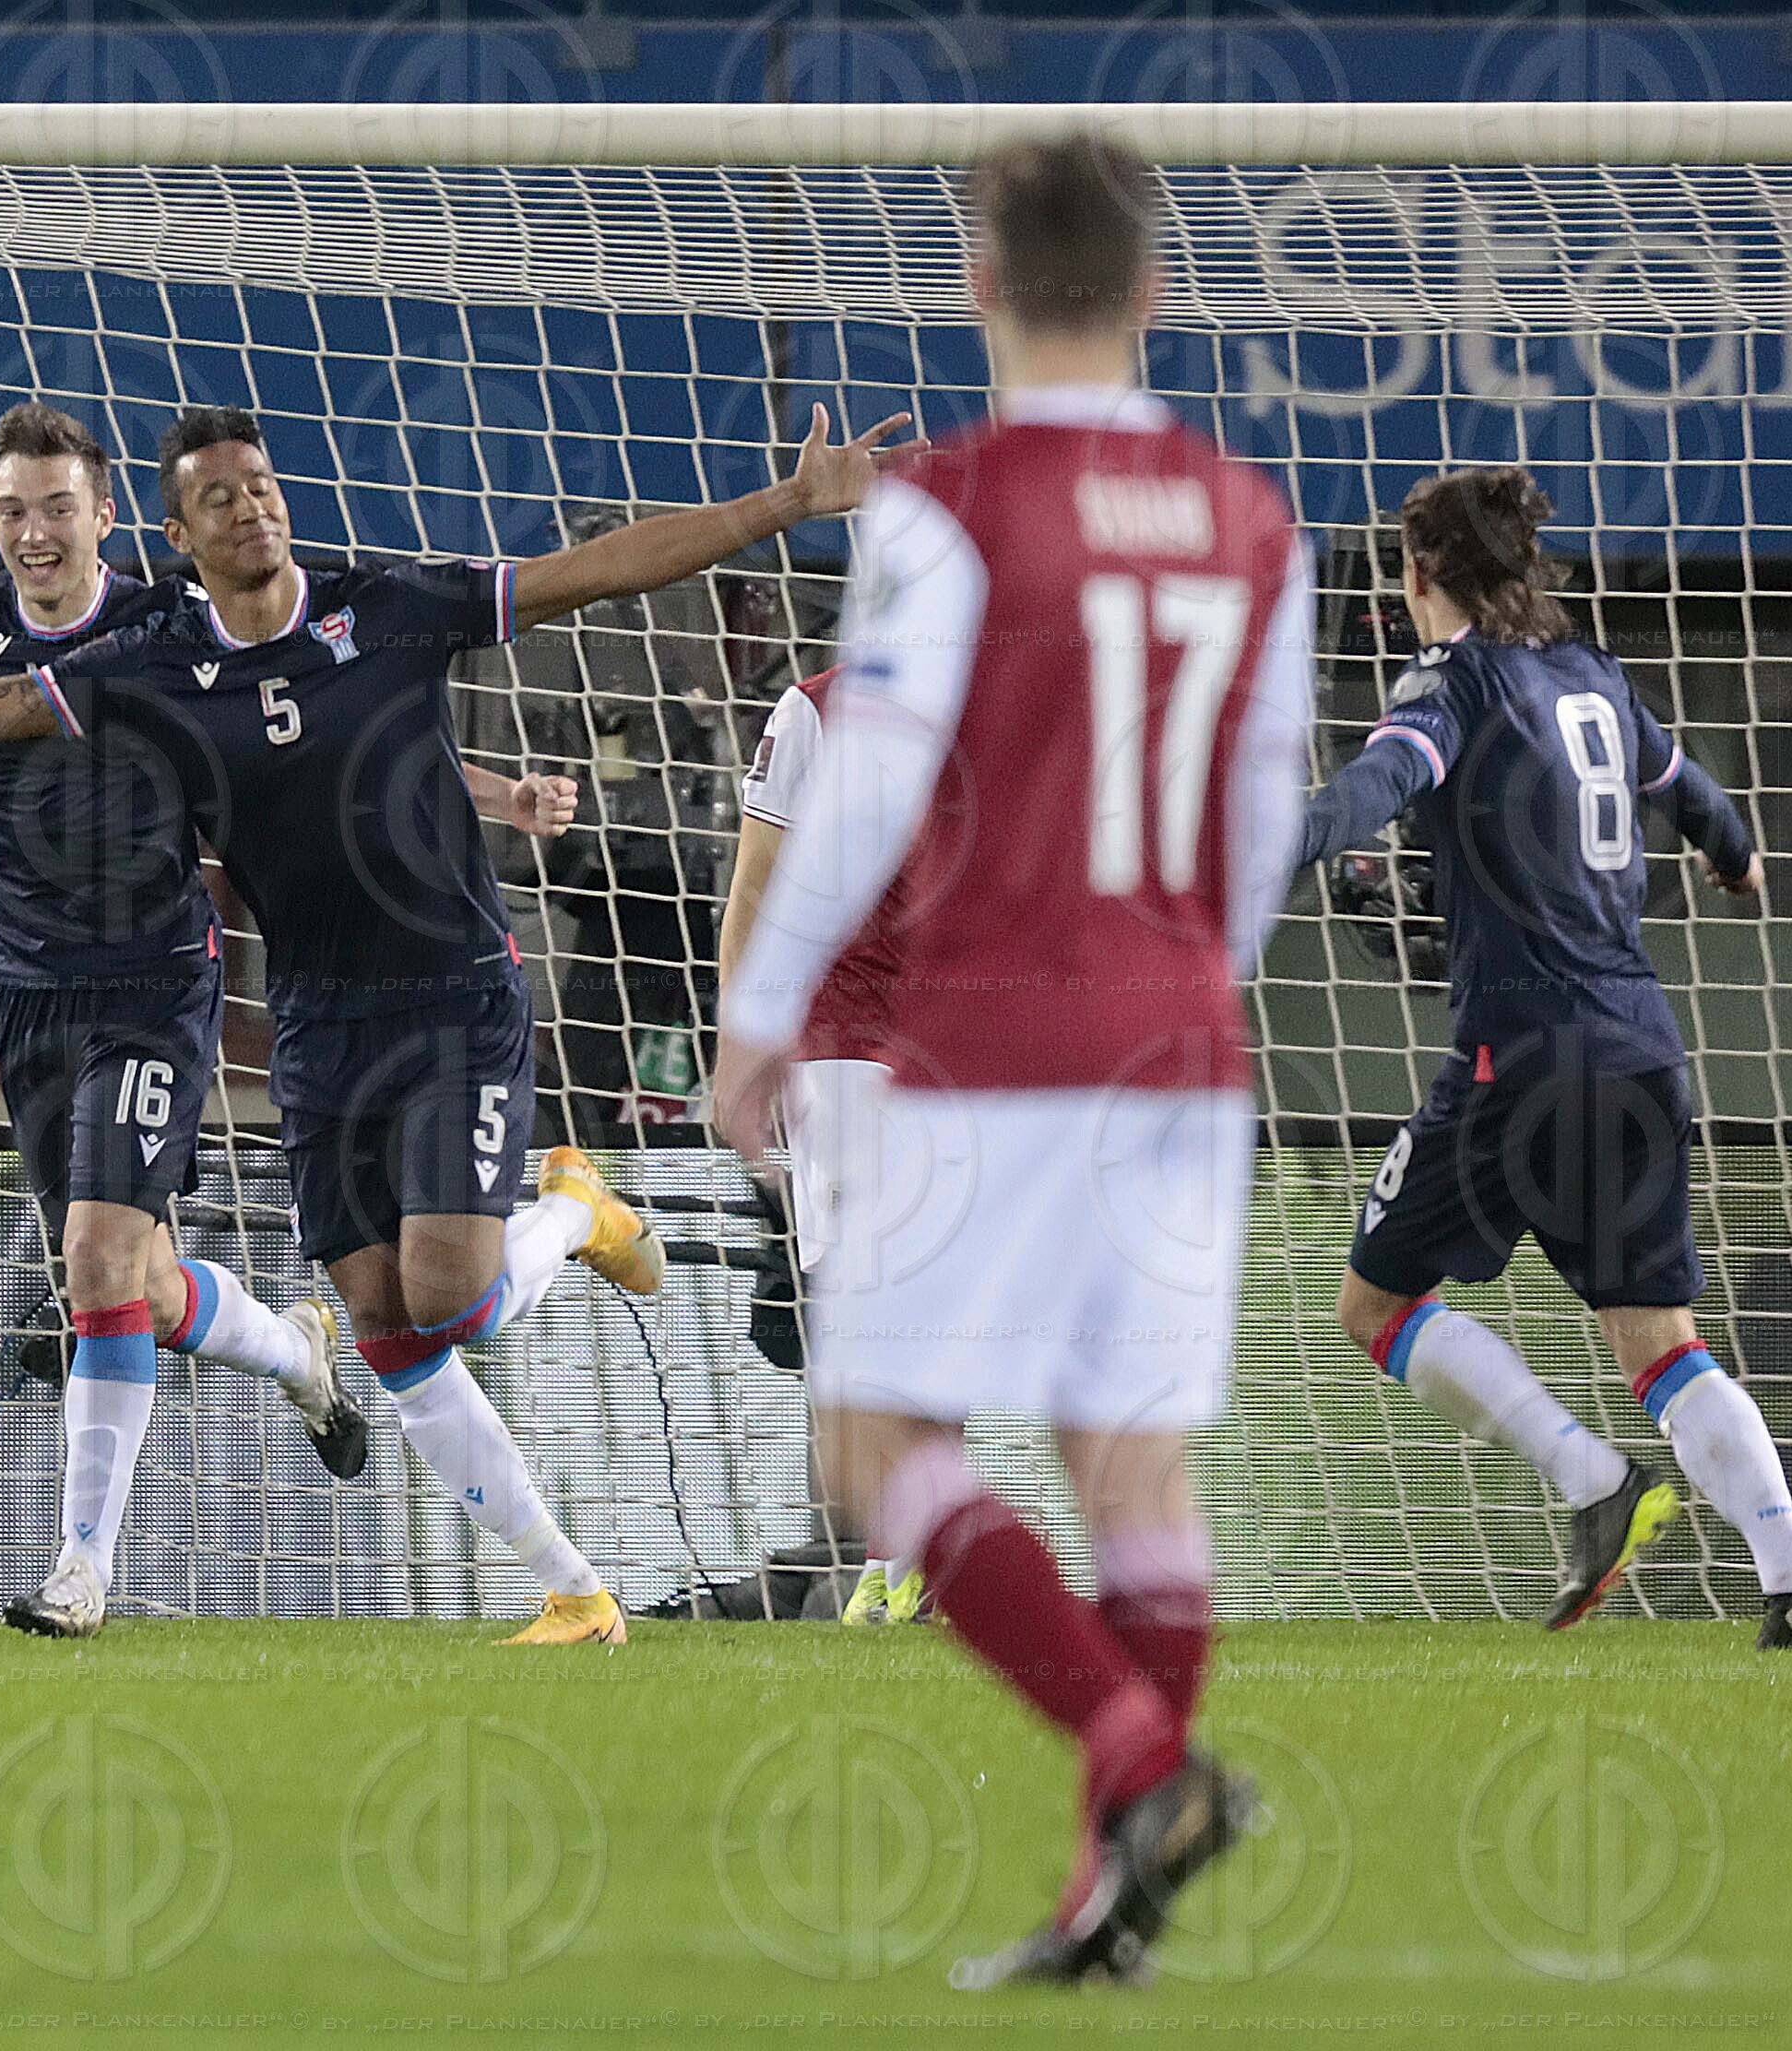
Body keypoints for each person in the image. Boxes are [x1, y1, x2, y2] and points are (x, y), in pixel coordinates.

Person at [0, 395, 920, 1646]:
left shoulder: (386, 605)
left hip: (450, 997)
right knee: (384, 1327)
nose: (249, 508)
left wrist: (782, 506)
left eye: (260, 487)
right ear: (178, 535)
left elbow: (593, 572)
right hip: (310, 1021)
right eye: (219, 498)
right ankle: (576, 1593)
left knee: (450, 1303)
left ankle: (573, 1213)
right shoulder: (149, 666)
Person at [715, 133, 1312, 1985]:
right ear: (1153, 288)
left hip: (992, 1039)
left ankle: (1139, 1758)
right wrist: (1186, 982)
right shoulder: (1252, 516)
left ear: (978, 282)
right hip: (1180, 1038)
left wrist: (757, 1015)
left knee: (877, 1439)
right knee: (1132, 1465)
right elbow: (1265, 808)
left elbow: (873, 781)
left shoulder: (949, 508)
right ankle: (1108, 1901)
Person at [1293, 464, 1792, 1654]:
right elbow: (1692, 793)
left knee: (1371, 1304)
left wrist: (1274, 841)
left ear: (1421, 573)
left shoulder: (1450, 681)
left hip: (1520, 1056)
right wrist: (1735, 856)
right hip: (1642, 1051)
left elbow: (1379, 781)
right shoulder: (1592, 675)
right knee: (1660, 1343)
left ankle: (1591, 1480)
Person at [718, 662, 919, 1625]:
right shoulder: (815, 709)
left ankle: (908, 1554)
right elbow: (755, 885)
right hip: (845, 1043)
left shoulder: (1015, 694)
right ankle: (897, 1558)